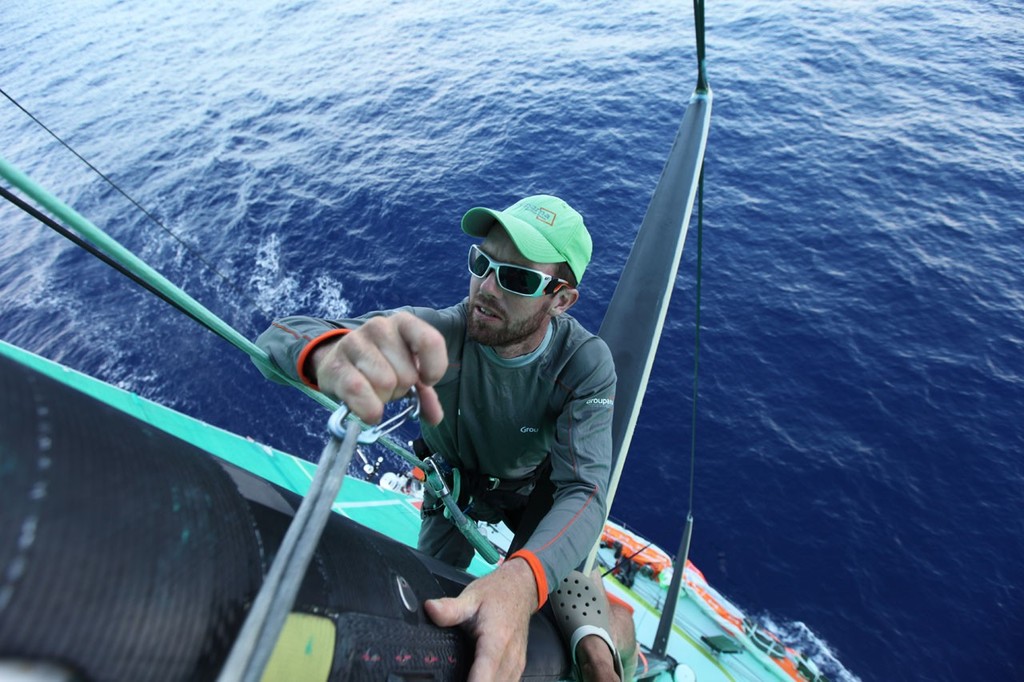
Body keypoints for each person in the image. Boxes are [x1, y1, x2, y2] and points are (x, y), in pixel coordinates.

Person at [256, 194, 636, 681]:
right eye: (483, 262)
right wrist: (331, 357)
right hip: (450, 488)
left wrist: (520, 580)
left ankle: (614, 646)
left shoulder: (583, 364)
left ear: (560, 300)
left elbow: (583, 489)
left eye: (518, 278)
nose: (486, 288)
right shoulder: (443, 333)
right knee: (430, 609)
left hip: (529, 496)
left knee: (561, 634)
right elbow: (279, 336)